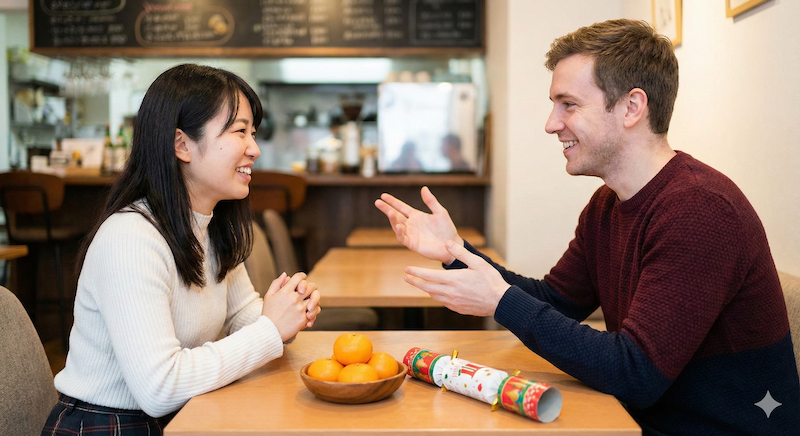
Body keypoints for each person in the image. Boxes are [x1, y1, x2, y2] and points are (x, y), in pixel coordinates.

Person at [375, 19, 799, 435]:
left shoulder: (699, 210)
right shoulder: (607, 204)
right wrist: (455, 251)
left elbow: (635, 373)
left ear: (632, 107)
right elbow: (554, 299)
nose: (551, 123)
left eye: (569, 104)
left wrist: (501, 301)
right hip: (637, 419)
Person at [41, 64, 321, 435]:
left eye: (253, 133)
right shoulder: (130, 238)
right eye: (239, 131)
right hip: (109, 425)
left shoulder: (211, 225)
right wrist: (270, 329)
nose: (254, 149)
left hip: (181, 414)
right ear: (181, 144)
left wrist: (286, 312)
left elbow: (242, 316)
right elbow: (160, 387)